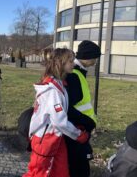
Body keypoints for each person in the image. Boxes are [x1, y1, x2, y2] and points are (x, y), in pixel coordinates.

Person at [23, 48, 89, 177]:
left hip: (56, 139)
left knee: (60, 172)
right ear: (61, 63)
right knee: (38, 174)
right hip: (46, 139)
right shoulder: (52, 90)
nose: (73, 63)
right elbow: (59, 121)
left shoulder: (59, 84)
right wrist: (79, 135)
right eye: (70, 61)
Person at [65, 40, 101, 177]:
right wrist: (88, 123)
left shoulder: (78, 73)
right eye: (95, 58)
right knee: (79, 169)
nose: (96, 61)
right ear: (89, 57)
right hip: (77, 132)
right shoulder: (74, 75)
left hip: (79, 131)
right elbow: (67, 108)